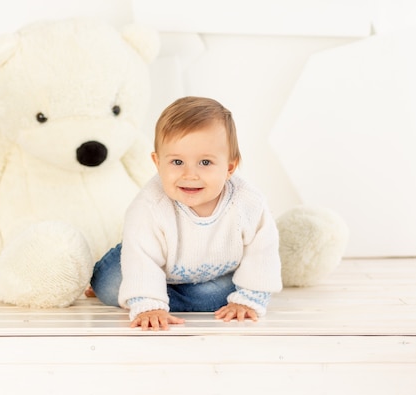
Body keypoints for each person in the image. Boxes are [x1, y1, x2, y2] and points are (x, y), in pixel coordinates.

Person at [89, 96, 282, 330]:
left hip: (212, 272)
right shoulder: (150, 206)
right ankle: (148, 290)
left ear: (229, 167)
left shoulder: (247, 203)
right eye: (177, 162)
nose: (190, 174)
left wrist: (249, 298)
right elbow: (142, 256)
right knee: (111, 286)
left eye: (205, 162)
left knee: (224, 293)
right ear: (157, 162)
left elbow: (262, 251)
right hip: (150, 260)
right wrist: (150, 305)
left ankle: (166, 294)